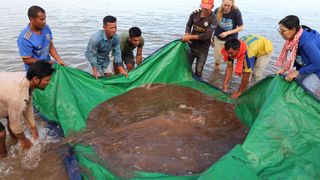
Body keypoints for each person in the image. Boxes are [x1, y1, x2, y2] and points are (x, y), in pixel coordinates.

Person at [0, 61, 54, 157]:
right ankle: (3, 157)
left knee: (10, 115)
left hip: (4, 92)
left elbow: (28, 104)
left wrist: (33, 127)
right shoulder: (17, 95)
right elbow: (15, 124)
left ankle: (15, 141)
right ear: (36, 79)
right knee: (1, 134)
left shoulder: (27, 80)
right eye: (47, 80)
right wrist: (25, 141)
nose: (49, 83)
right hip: (10, 94)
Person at [276, 15, 320, 94]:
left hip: (317, 68)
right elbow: (297, 57)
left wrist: (297, 72)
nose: (281, 33)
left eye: (283, 31)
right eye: (280, 30)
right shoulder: (294, 39)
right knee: (293, 83)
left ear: (293, 30)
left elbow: (318, 63)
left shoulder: (307, 43)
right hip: (308, 65)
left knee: (303, 92)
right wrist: (285, 68)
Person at [222, 35, 273, 99]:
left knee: (256, 74)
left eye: (231, 53)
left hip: (265, 49)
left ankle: (255, 95)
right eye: (228, 53)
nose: (229, 55)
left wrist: (239, 92)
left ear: (238, 50)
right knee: (246, 71)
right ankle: (245, 88)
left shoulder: (247, 55)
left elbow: (246, 75)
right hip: (255, 45)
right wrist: (225, 83)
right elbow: (229, 67)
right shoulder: (229, 50)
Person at [17, 5, 65, 71]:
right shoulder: (25, 37)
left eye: (45, 18)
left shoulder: (46, 28)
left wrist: (59, 60)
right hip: (35, 70)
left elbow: (50, 46)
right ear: (32, 19)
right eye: (41, 19)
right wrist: (46, 62)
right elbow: (27, 60)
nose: (44, 21)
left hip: (47, 65)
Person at [182, 0, 217, 78]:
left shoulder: (214, 19)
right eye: (203, 7)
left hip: (203, 49)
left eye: (207, 8)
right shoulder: (194, 13)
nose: (204, 10)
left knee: (199, 69)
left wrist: (190, 37)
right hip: (191, 45)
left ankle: (197, 83)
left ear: (212, 6)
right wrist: (187, 33)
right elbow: (188, 25)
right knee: (186, 66)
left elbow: (206, 36)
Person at [85, 15, 128, 79]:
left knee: (109, 75)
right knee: (95, 77)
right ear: (104, 27)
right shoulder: (95, 39)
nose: (114, 30)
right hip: (92, 57)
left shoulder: (116, 38)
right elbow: (92, 55)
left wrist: (122, 70)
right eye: (111, 28)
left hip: (104, 57)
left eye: (115, 27)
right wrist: (95, 71)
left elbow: (117, 54)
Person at [212, 0, 243, 70]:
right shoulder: (217, 10)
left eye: (229, 6)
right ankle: (215, 78)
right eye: (225, 5)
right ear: (222, 2)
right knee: (217, 61)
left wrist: (227, 33)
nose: (226, 7)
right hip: (219, 39)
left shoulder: (236, 11)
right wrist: (212, 36)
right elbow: (213, 25)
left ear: (232, 4)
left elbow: (241, 27)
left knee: (229, 63)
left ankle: (228, 79)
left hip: (231, 41)